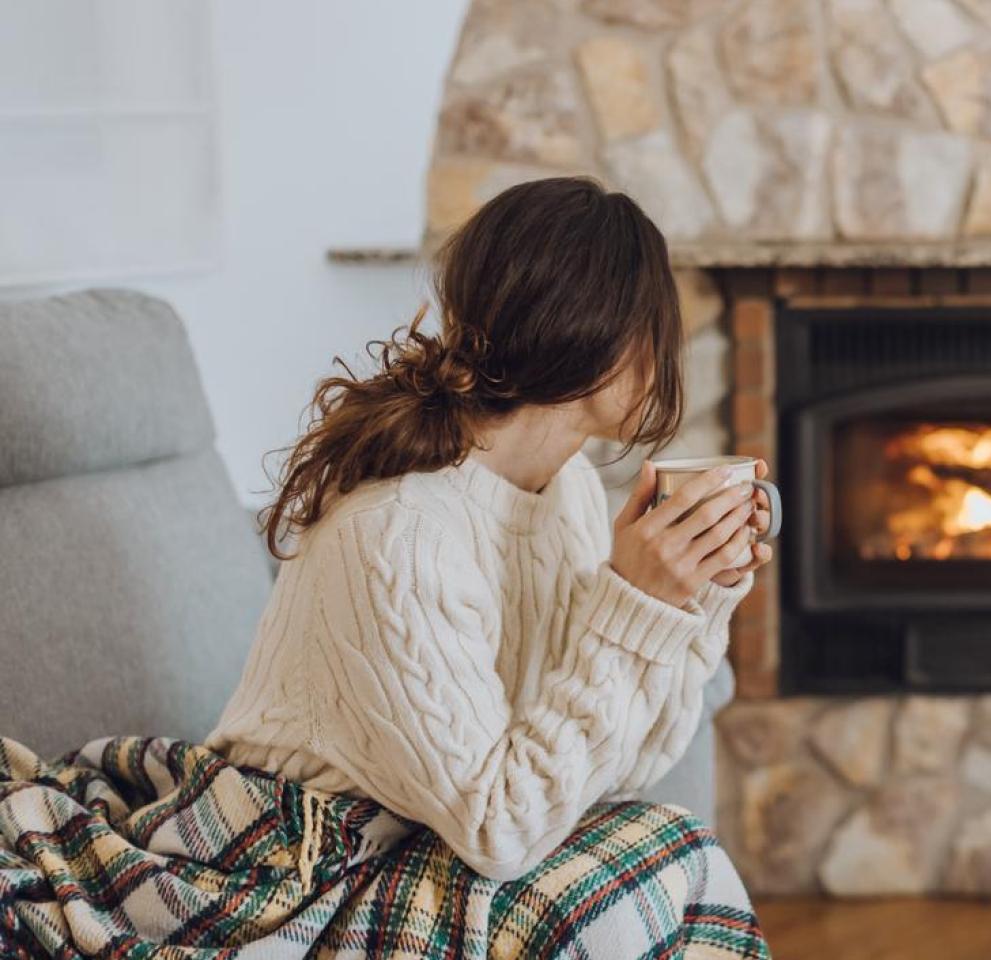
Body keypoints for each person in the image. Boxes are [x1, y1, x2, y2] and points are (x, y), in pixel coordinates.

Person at [205, 176, 770, 883]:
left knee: (672, 850)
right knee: (656, 878)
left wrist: (692, 596)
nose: (669, 349)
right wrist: (634, 605)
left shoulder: (569, 493)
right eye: (658, 322)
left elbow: (628, 768)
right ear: (596, 336)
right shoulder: (400, 535)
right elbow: (500, 831)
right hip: (297, 856)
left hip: (429, 836)